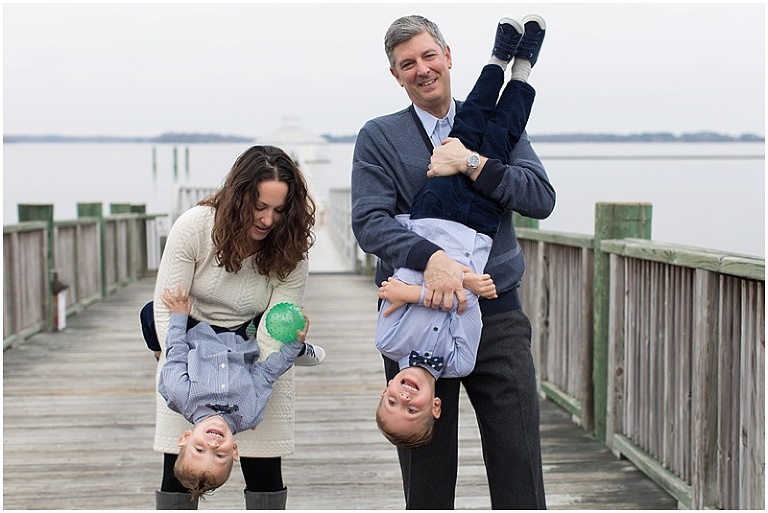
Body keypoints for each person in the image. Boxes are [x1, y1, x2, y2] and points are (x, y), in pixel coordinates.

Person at [351, 13, 555, 509]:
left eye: (428, 56)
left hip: (495, 314)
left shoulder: (496, 123)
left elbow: (540, 197)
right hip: (414, 325)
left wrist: (471, 162)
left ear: (447, 56)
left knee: (518, 464)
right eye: (407, 64)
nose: (421, 69)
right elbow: (369, 222)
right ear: (396, 75)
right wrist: (432, 258)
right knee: (426, 476)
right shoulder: (379, 136)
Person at [152, 144, 325, 510]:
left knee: (265, 469)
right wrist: (183, 370)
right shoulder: (194, 226)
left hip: (254, 342)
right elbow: (168, 306)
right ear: (238, 196)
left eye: (279, 210)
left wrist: (248, 383)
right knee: (178, 467)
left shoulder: (290, 246)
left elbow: (278, 320)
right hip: (193, 342)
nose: (268, 220)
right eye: (259, 207)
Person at [156, 283, 310, 501]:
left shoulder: (181, 394)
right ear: (234, 451)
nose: (212, 445)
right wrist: (292, 348)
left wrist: (179, 316)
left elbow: (176, 353)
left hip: (201, 330)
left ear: (186, 437)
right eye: (220, 455)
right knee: (275, 317)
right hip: (244, 335)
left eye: (199, 449)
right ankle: (302, 349)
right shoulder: (249, 414)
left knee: (149, 314)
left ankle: (155, 352)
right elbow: (266, 374)